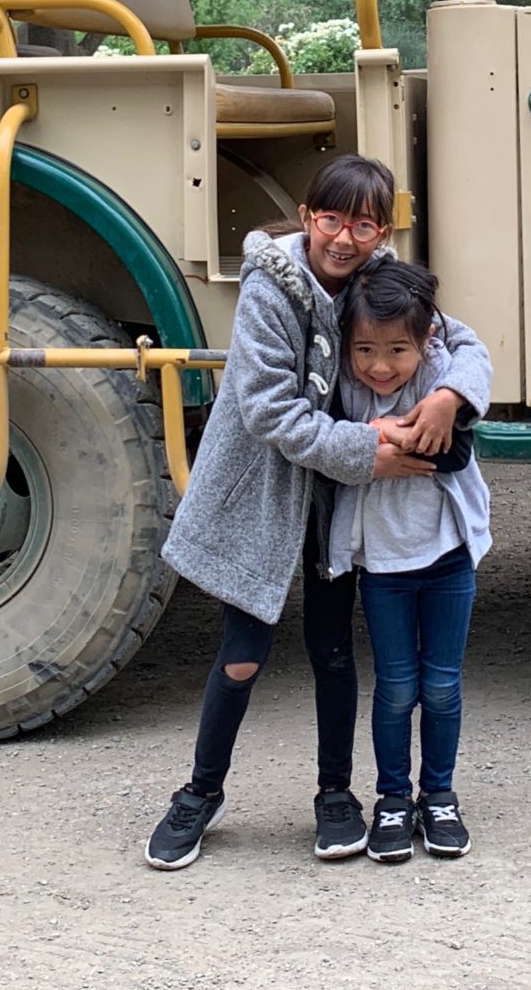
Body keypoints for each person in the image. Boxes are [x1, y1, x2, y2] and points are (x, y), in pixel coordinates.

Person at [144, 155, 487, 870]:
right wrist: (370, 448)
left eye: (363, 224)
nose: (344, 237)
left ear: (381, 229)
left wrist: (450, 396)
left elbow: (460, 342)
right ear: (306, 219)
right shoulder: (269, 291)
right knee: (242, 653)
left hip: (334, 497)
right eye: (331, 219)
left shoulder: (377, 277)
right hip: (266, 488)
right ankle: (200, 793)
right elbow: (270, 410)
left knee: (333, 650)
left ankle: (336, 795)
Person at [327, 260, 494, 863]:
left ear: (425, 340)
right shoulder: (346, 387)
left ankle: (440, 796)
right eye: (365, 349)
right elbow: (332, 438)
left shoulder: (443, 376)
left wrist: (380, 433)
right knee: (397, 688)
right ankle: (393, 799)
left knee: (443, 687)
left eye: (397, 348)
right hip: (384, 566)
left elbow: (451, 452)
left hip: (448, 557)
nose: (379, 364)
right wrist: (385, 432)